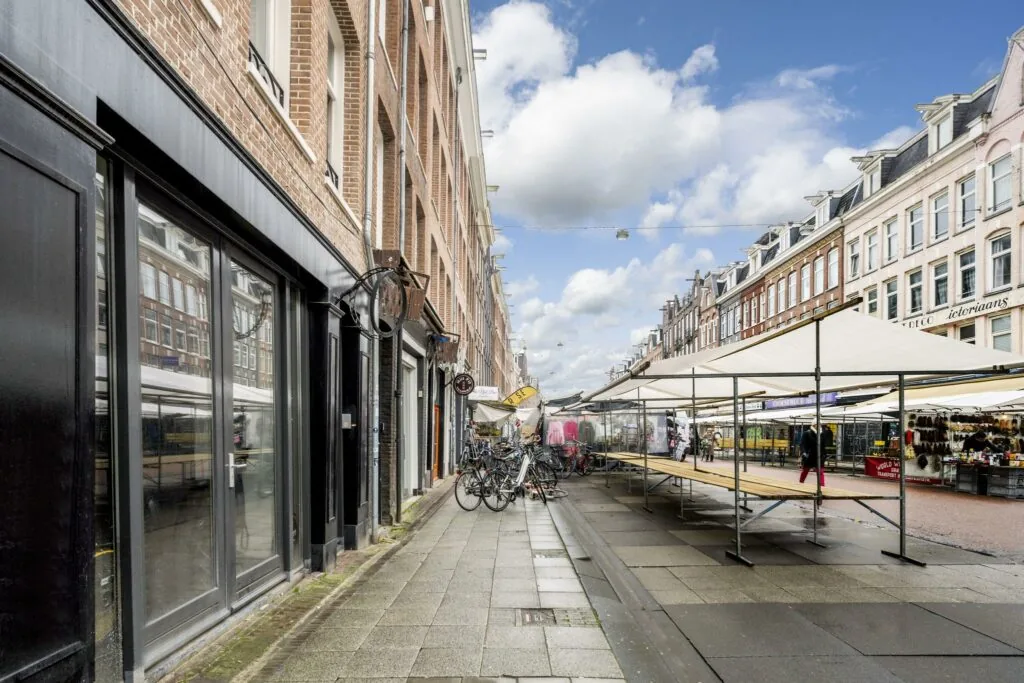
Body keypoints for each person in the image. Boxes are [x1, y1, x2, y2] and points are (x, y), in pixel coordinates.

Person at [799, 424, 825, 490]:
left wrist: (824, 454)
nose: (819, 426)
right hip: (809, 455)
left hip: (819, 455)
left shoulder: (821, 434)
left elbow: (823, 445)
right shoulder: (807, 433)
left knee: (820, 472)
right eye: (817, 425)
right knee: (805, 471)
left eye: (820, 425)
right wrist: (804, 452)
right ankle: (800, 484)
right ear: (813, 425)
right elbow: (802, 444)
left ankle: (822, 487)